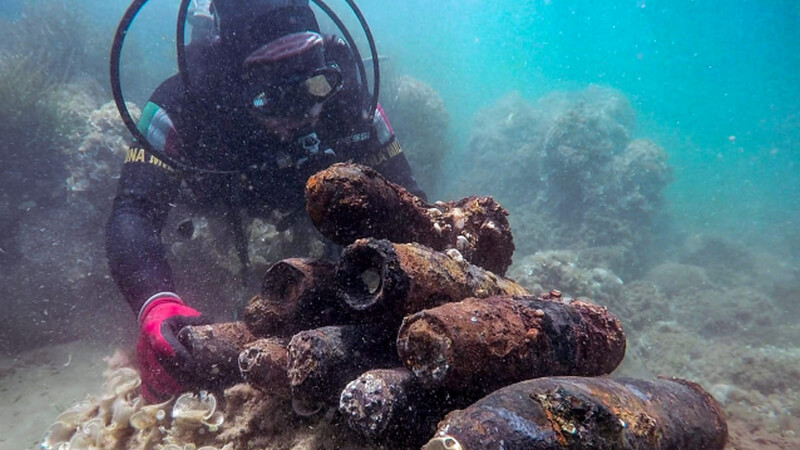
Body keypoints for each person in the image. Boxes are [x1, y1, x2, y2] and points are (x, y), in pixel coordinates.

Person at [106, 0, 425, 403]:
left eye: (315, 87)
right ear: (233, 85)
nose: (306, 113)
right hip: (220, 198)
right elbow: (133, 210)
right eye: (274, 100)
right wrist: (156, 303)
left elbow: (411, 202)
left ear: (327, 68)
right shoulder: (182, 105)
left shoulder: (348, 96)